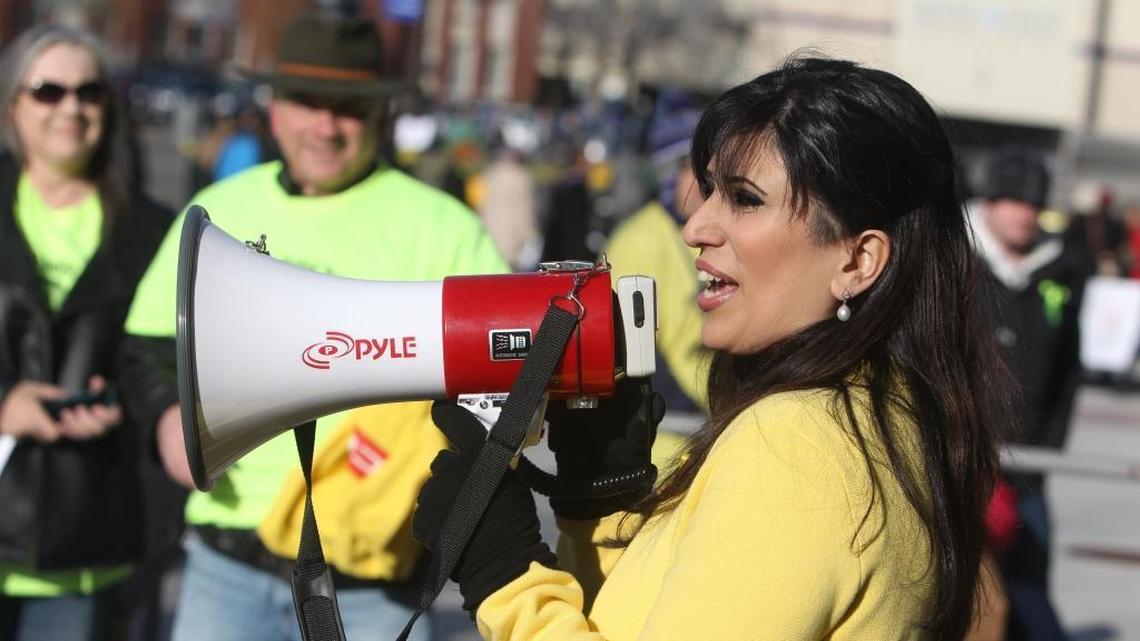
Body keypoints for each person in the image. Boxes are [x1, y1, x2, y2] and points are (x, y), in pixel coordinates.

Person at [412, 57, 1010, 640]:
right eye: (710, 192)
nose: (696, 226)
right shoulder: (884, 410)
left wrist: (505, 576)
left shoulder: (798, 444)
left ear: (857, 260)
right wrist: (599, 503)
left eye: (745, 199)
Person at [118, 12, 506, 641]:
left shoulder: (445, 228)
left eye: (348, 107)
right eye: (307, 103)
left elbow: (502, 374)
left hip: (372, 575)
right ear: (275, 107)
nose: (325, 126)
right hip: (228, 557)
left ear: (380, 114)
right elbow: (149, 344)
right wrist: (168, 419)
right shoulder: (222, 208)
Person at [0, 25, 171, 640]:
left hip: (89, 546)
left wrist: (126, 407)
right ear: (12, 103)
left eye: (89, 92)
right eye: (47, 91)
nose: (70, 108)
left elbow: (168, 367)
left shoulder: (154, 232)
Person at [969, 149, 1084, 641]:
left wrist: (1048, 447)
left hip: (1027, 466)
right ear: (990, 203)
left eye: (1033, 204)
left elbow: (1068, 369)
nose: (1025, 214)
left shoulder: (1061, 270)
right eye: (1014, 201)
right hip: (961, 460)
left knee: (1029, 588)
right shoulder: (956, 261)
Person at [605, 106, 709, 413]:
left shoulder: (714, 235)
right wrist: (686, 411)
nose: (712, 180)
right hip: (665, 437)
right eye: (699, 168)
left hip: (712, 423)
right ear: (670, 173)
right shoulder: (637, 241)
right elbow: (624, 345)